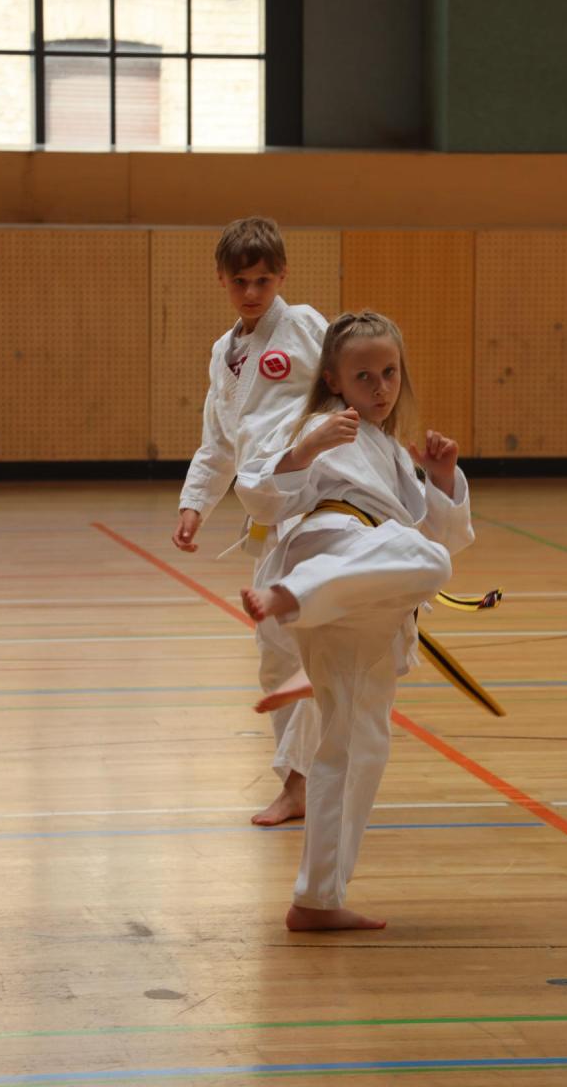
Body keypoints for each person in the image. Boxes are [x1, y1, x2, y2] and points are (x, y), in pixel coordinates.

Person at [236, 312, 474, 930]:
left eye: (389, 372)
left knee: (356, 748)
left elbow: (439, 531)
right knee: (430, 560)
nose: (380, 387)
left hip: (364, 601)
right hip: (329, 547)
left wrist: (442, 477)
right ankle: (293, 598)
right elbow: (258, 493)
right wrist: (305, 450)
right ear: (333, 380)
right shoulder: (317, 425)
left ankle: (317, 900)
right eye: (363, 375)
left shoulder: (391, 449)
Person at [172, 216, 325, 826]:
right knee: (276, 654)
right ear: (222, 281)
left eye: (263, 280)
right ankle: (298, 781)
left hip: (318, 507)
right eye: (240, 282)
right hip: (268, 517)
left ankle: (304, 781)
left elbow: (354, 388)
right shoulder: (226, 352)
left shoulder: (305, 325)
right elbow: (219, 440)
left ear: (282, 275)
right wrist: (195, 504)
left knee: (312, 647)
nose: (252, 292)